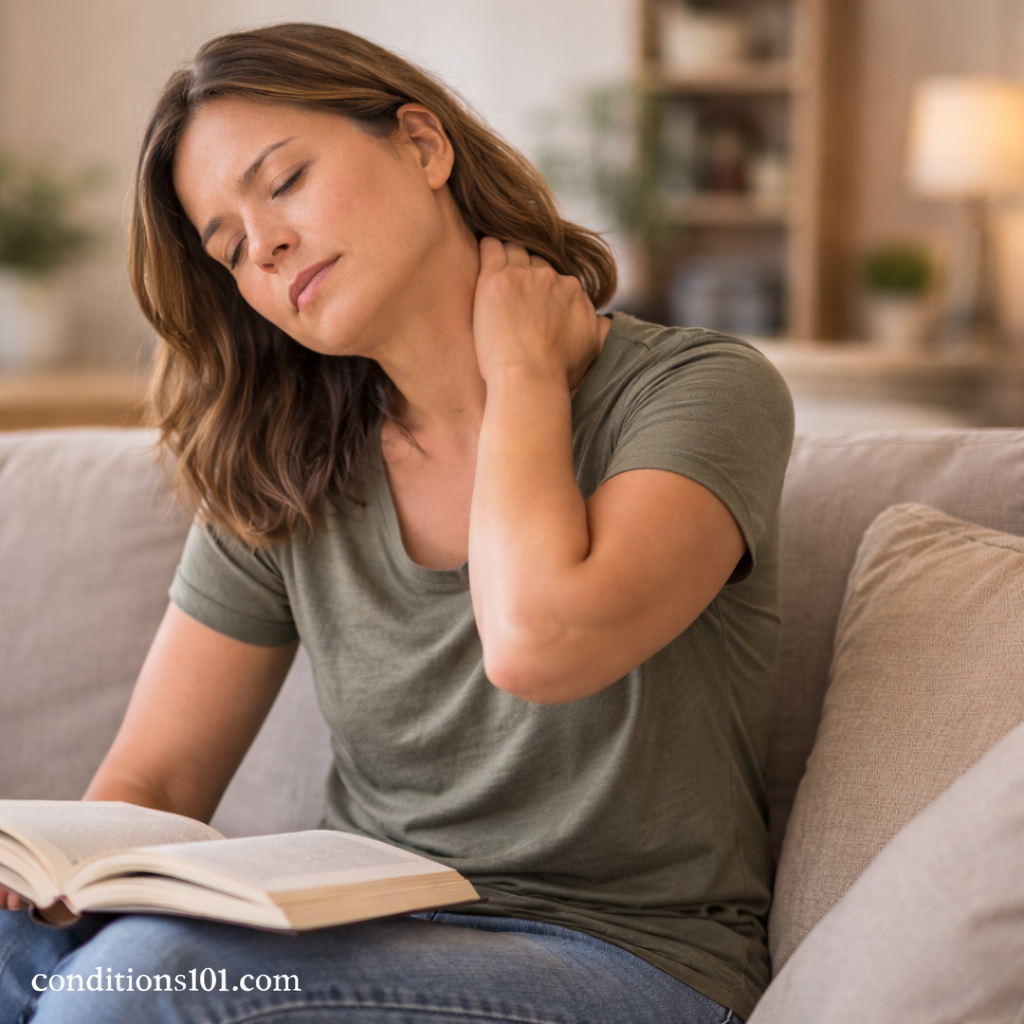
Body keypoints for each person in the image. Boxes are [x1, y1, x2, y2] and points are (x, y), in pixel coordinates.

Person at [0, 22, 793, 1024]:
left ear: (421, 145)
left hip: (625, 959)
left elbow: (542, 641)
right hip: (355, 931)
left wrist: (519, 373)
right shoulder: (285, 457)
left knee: (140, 986)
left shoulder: (695, 390)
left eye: (284, 181)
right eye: (232, 248)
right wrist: (58, 877)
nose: (269, 245)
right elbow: (156, 775)